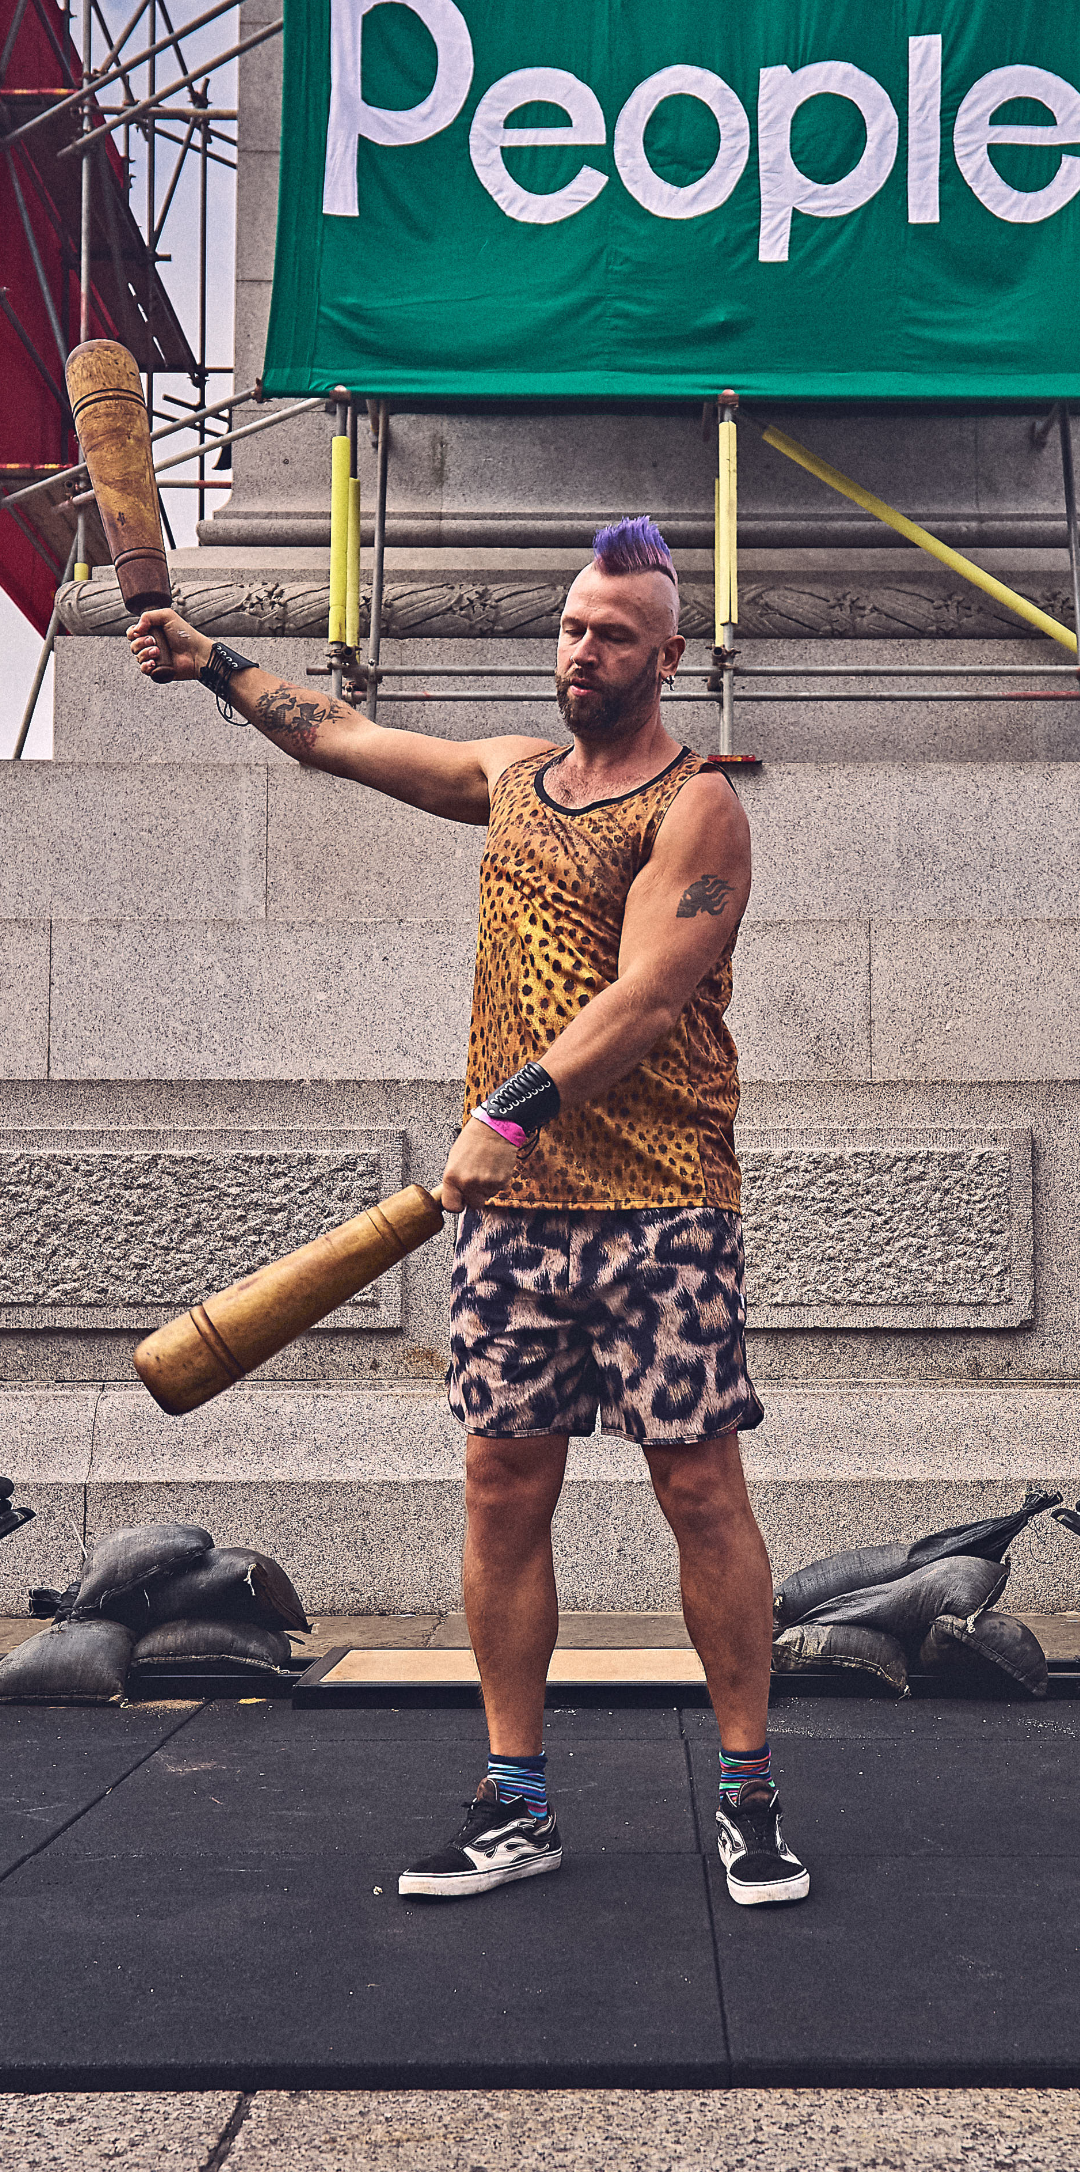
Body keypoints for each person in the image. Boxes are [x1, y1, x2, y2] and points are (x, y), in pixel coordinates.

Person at [127, 514, 808, 1910]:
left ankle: (748, 1794)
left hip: (660, 1209)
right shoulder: (509, 778)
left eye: (612, 632)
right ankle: (516, 1801)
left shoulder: (699, 808)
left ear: (667, 655)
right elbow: (335, 736)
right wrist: (210, 662)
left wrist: (508, 1116)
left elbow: (645, 1000)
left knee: (699, 1491)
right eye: (570, 624)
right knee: (503, 1494)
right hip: (512, 1230)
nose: (581, 649)